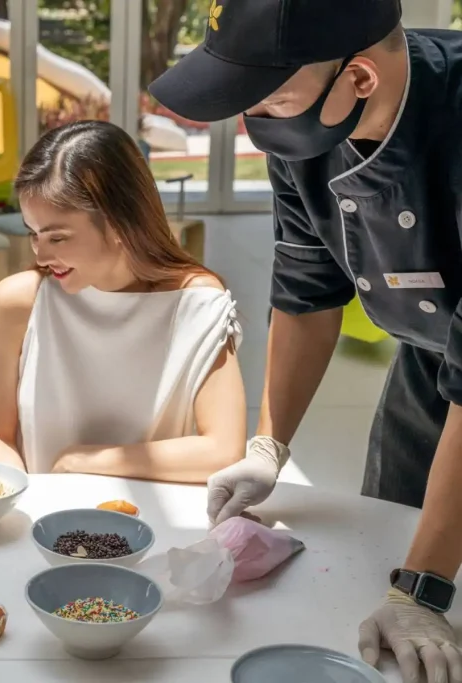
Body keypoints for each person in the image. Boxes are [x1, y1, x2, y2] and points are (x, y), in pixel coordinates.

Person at [148, 0, 462, 679]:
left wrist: (427, 586)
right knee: (387, 542)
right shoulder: (306, 130)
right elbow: (306, 288)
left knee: (425, 593)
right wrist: (269, 445)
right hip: (429, 359)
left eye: (270, 95)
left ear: (360, 79)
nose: (252, 118)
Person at [0, 120, 246, 482]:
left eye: (57, 238)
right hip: (44, 525)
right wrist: (28, 500)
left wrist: (84, 461)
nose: (40, 256)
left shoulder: (196, 304)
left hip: (154, 529)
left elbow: (224, 452)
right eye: (33, 234)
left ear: (120, 225)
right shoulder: (17, 303)